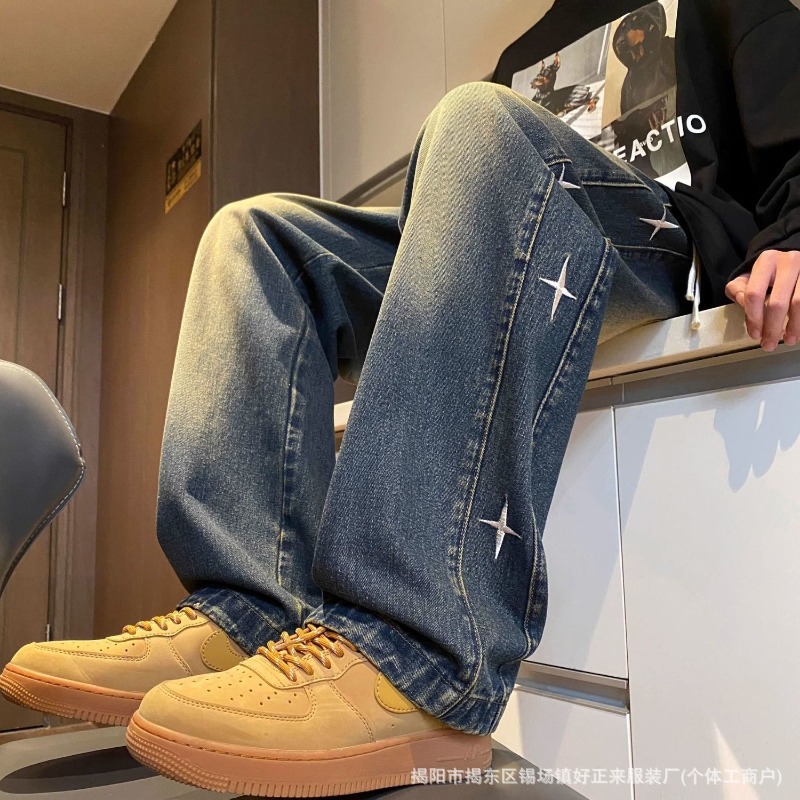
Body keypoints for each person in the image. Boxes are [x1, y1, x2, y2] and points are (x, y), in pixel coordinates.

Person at [2, 0, 799, 795]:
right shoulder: (528, 52)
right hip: (509, 232)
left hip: (655, 245)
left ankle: (410, 656)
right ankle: (245, 610)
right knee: (253, 235)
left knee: (479, 119)